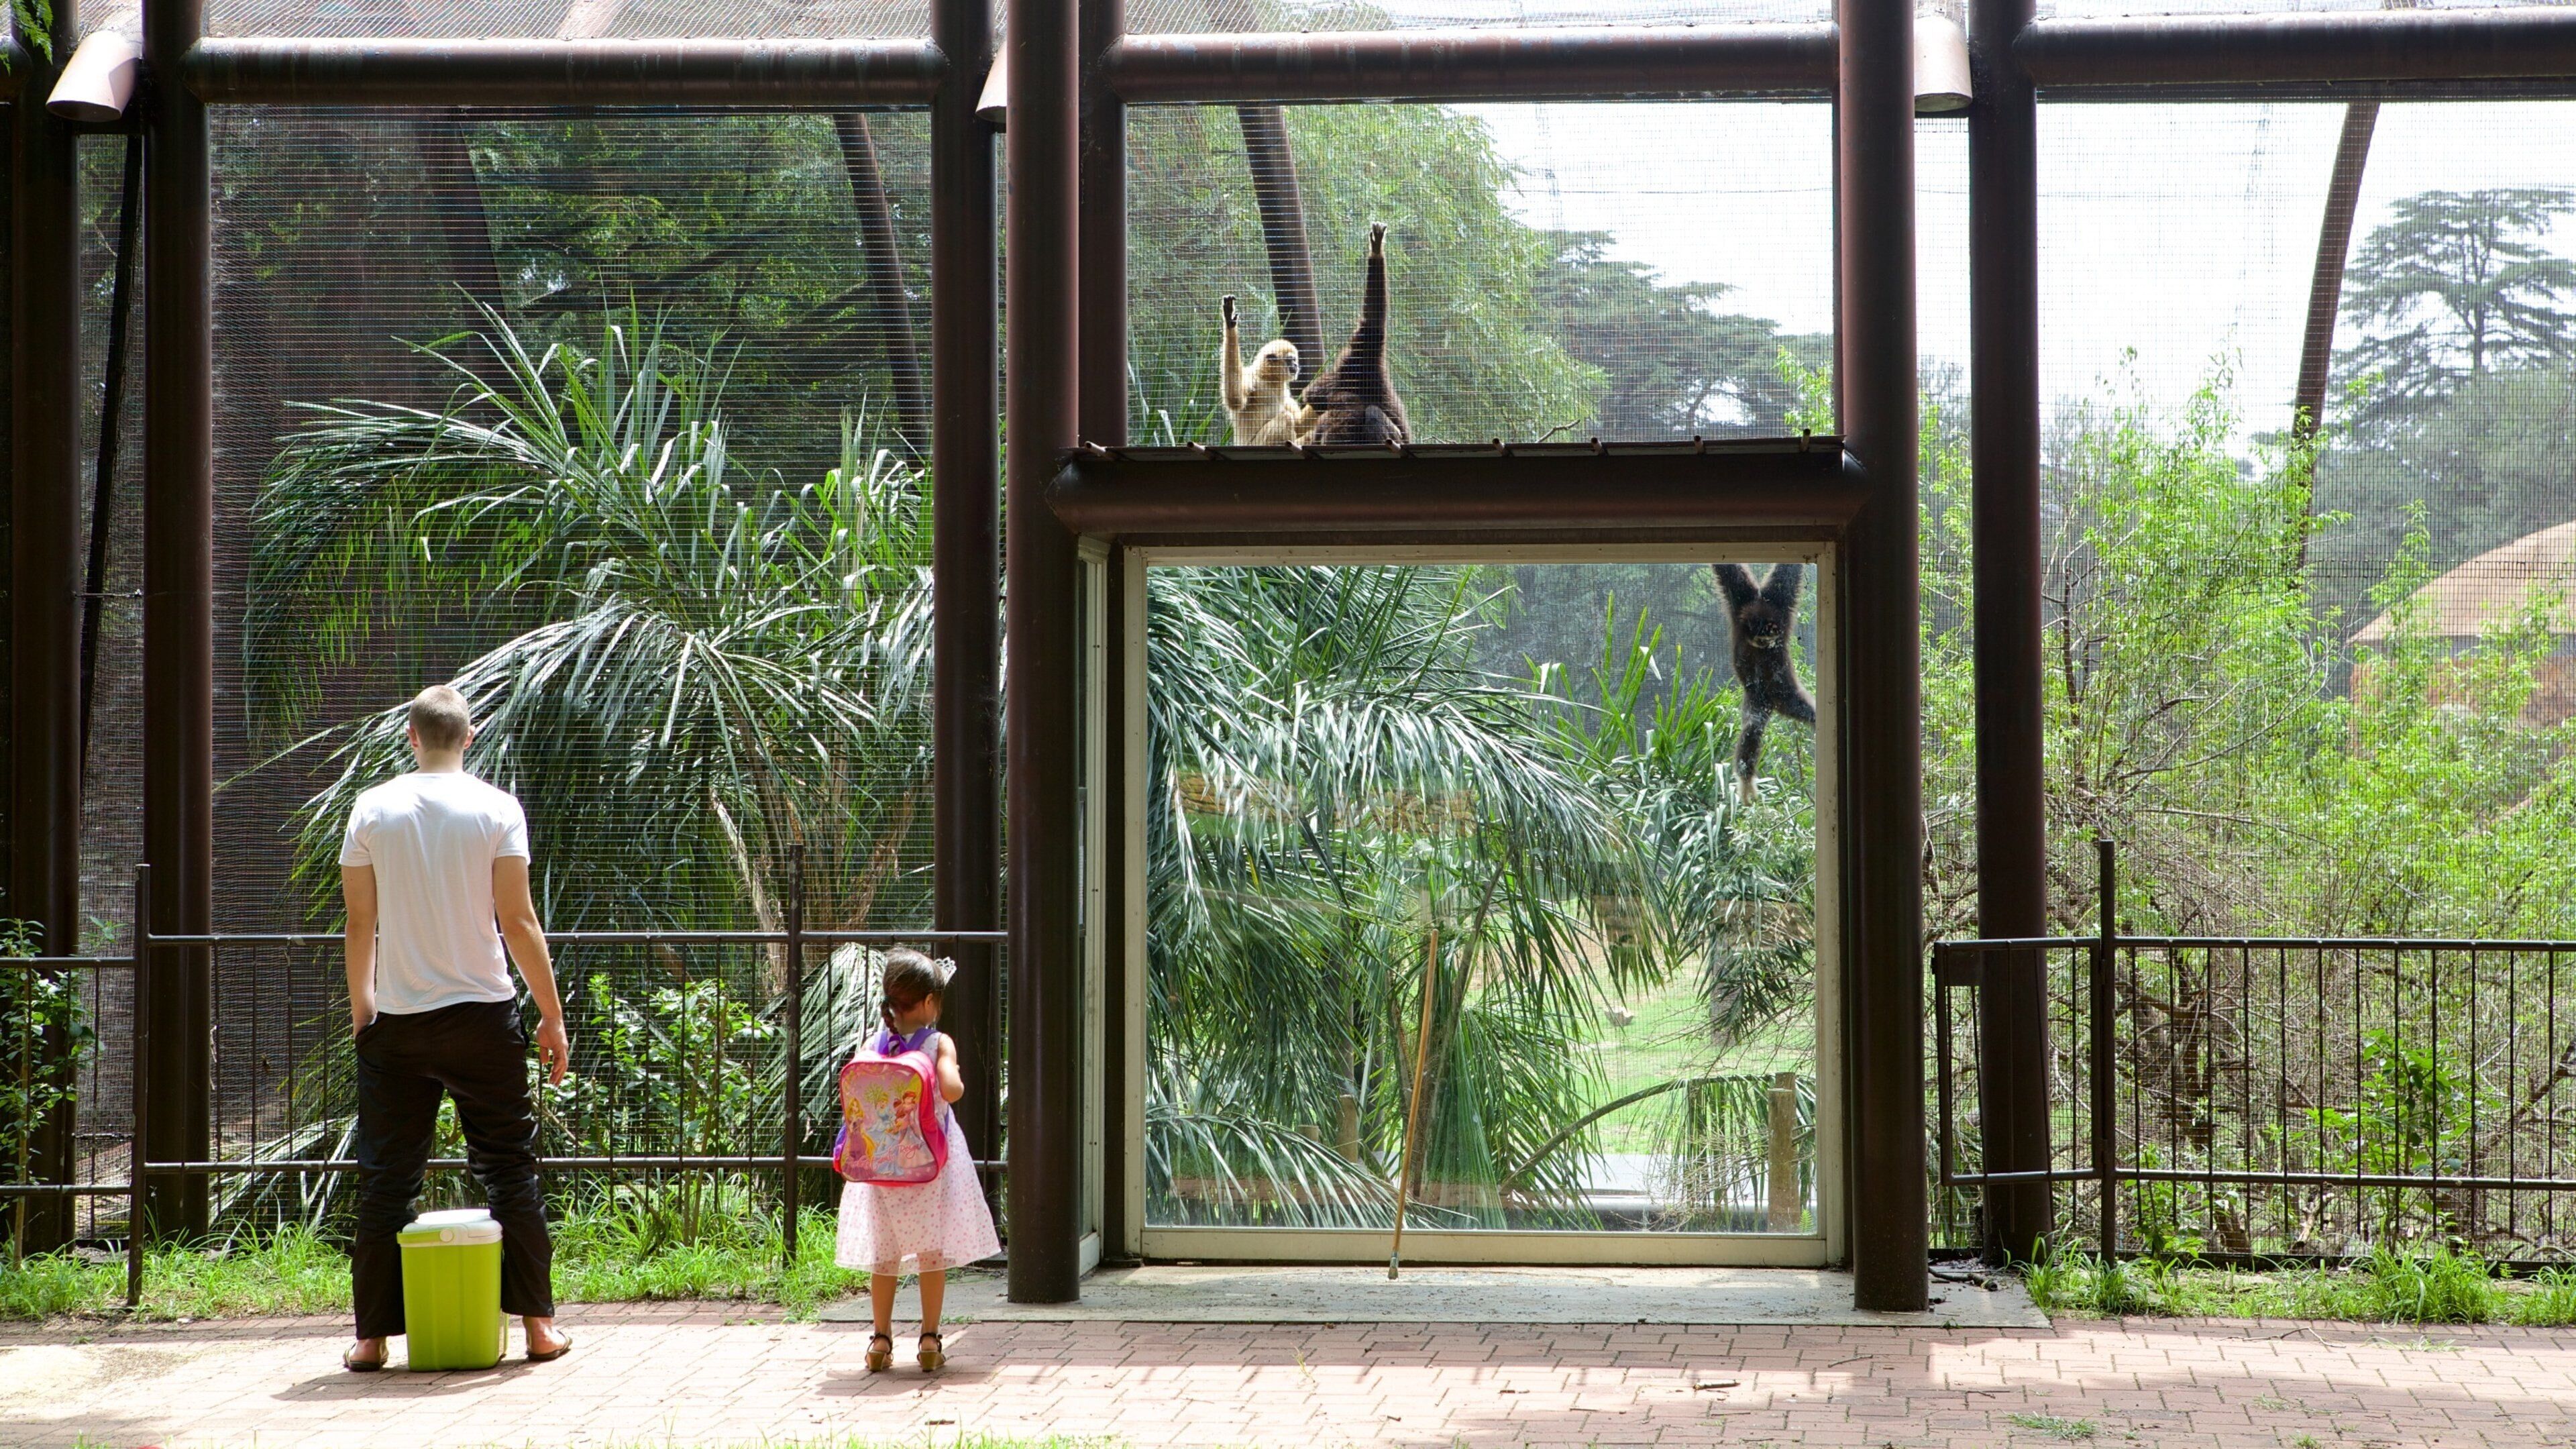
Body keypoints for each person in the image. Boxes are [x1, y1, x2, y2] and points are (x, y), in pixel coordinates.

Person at [339, 686, 572, 1371]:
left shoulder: (372, 808)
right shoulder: (498, 809)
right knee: (509, 1172)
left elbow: (359, 922)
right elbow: (519, 920)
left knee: (386, 1181)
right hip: (483, 1018)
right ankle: (536, 1328)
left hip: (399, 1024)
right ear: (469, 738)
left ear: (411, 737)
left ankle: (371, 1340)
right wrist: (552, 1015)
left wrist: (364, 1010)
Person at [838, 949, 1000, 1373]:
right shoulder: (937, 1042)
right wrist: (952, 1069)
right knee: (932, 1252)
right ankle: (929, 1339)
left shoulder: (873, 1043)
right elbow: (952, 1090)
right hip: (928, 1167)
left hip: (880, 1167)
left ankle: (880, 1340)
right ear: (929, 1002)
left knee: (884, 1255)